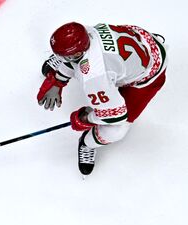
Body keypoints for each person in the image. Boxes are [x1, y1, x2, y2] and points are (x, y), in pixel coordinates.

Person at [37, 22, 167, 175]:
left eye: (63, 56)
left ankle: (87, 144)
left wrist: (85, 118)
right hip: (145, 42)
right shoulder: (87, 32)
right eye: (59, 54)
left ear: (77, 54)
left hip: (148, 77)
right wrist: (59, 80)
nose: (62, 59)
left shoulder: (95, 76)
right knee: (81, 61)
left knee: (117, 130)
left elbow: (115, 116)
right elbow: (79, 61)